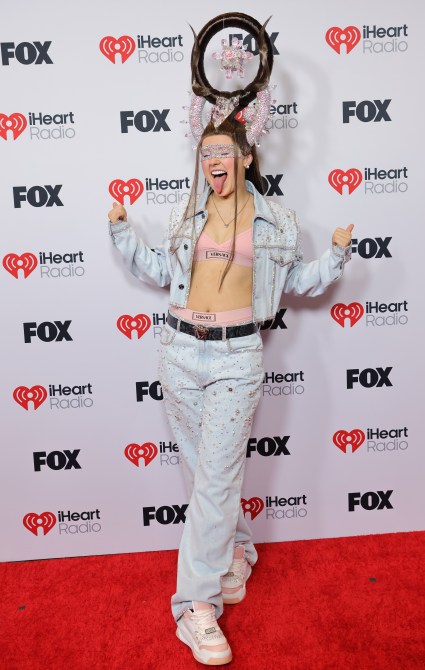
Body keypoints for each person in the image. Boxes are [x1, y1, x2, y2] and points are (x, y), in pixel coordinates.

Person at [108, 13, 353, 666]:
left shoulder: (277, 221)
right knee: (206, 474)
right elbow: (160, 271)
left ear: (246, 156)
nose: (215, 161)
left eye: (225, 152)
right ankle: (237, 548)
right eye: (206, 153)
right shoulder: (184, 216)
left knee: (215, 477)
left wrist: (333, 258)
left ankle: (194, 605)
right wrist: (122, 234)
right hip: (177, 351)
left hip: (236, 356)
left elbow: (294, 282)